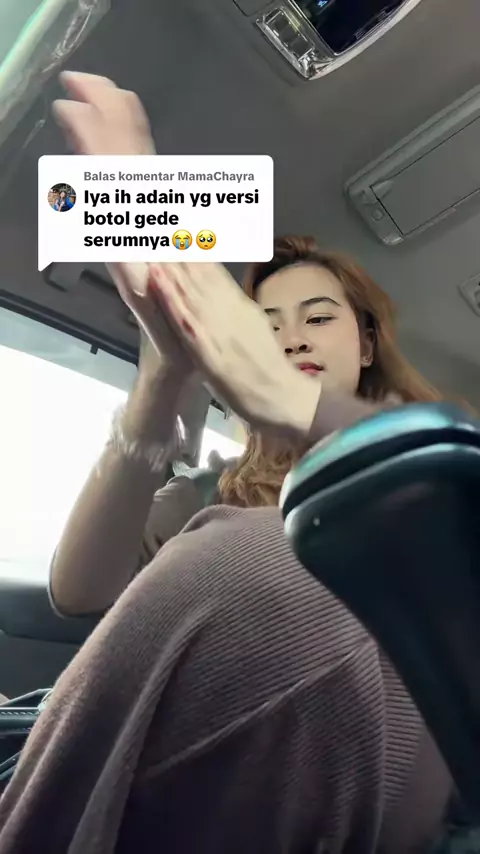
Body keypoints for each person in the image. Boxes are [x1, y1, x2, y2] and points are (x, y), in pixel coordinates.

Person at [0, 72, 453, 854]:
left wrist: (289, 396)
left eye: (318, 317)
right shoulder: (215, 496)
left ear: (365, 341)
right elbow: (78, 593)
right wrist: (162, 375)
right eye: (267, 322)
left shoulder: (437, 469)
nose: (293, 335)